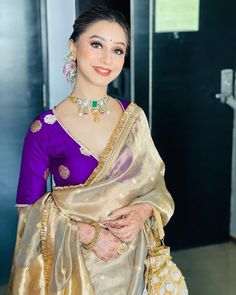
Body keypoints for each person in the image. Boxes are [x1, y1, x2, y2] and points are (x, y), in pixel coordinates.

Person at [8, 5, 175, 295]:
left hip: (137, 261)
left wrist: (142, 211)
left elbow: (154, 184)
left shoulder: (133, 118)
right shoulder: (45, 128)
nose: (107, 59)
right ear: (73, 47)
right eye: (96, 44)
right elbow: (28, 212)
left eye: (118, 50)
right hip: (75, 270)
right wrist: (86, 234)